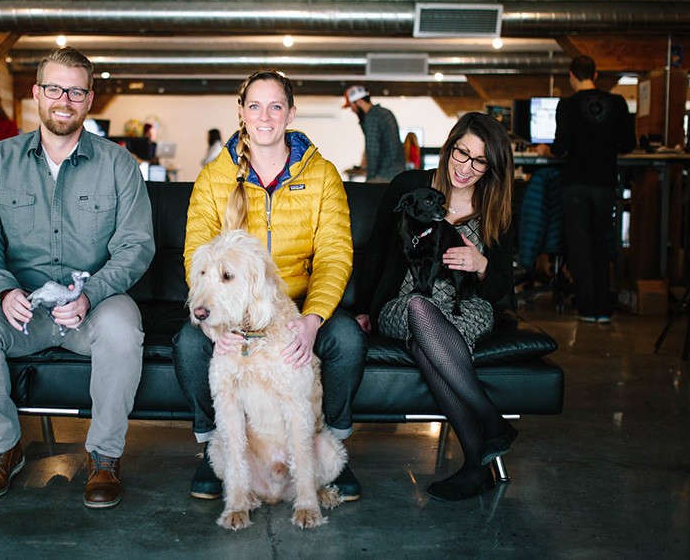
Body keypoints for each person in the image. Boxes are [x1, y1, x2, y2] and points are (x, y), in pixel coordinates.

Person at [0, 47, 155, 509]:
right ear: (38, 94)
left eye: (76, 90)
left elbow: (136, 245)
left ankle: (104, 458)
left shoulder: (119, 164)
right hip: (20, 307)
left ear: (89, 99)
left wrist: (92, 293)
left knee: (123, 329)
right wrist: (2, 290)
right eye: (56, 88)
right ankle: (1, 447)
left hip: (95, 305)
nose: (65, 99)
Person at [173, 70, 367, 501]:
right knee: (188, 344)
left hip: (301, 302)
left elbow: (335, 254)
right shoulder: (213, 178)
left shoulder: (322, 175)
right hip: (234, 307)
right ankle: (213, 449)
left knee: (348, 340)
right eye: (254, 106)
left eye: (275, 106)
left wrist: (313, 319)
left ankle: (326, 448)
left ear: (290, 113)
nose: (265, 116)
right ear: (241, 112)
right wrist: (214, 322)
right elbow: (197, 258)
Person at [355, 112, 516, 501]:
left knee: (424, 343)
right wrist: (362, 308)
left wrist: (482, 265)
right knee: (419, 310)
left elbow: (502, 289)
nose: (467, 168)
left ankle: (476, 463)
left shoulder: (496, 205)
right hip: (406, 302)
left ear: (491, 167)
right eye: (462, 153)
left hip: (467, 307)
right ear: (449, 146)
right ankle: (492, 420)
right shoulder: (409, 186)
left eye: (480, 162)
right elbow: (375, 252)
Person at [537, 55, 636, 323]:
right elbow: (628, 144)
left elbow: (561, 147)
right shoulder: (617, 103)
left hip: (575, 183)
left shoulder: (567, 105)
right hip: (605, 182)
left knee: (579, 245)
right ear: (595, 74)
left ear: (571, 76)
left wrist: (546, 149)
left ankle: (587, 308)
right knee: (601, 243)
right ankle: (604, 309)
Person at [344, 85, 404, 182]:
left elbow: (372, 150)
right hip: (396, 173)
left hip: (384, 176)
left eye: (352, 106)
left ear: (359, 102)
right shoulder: (384, 113)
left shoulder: (372, 118)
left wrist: (370, 177)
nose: (352, 110)